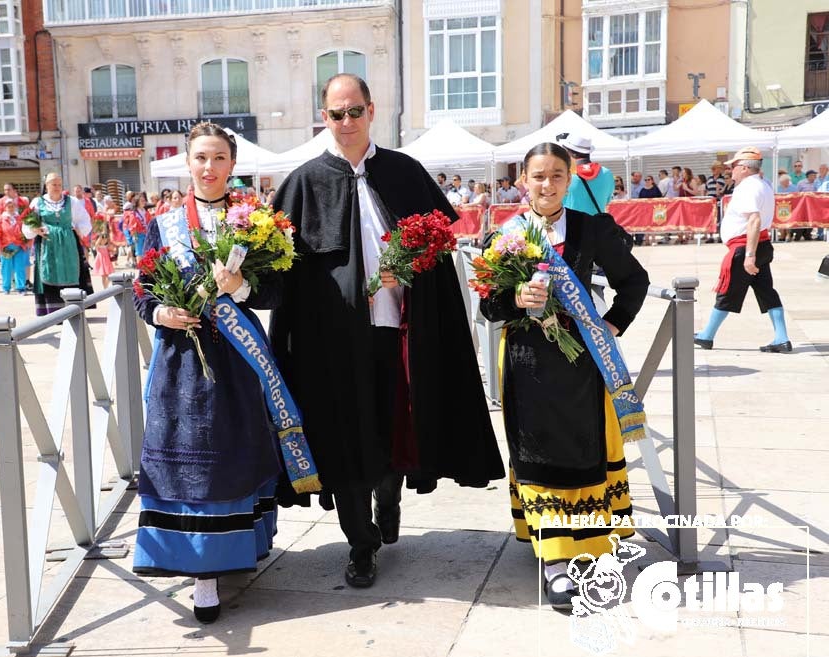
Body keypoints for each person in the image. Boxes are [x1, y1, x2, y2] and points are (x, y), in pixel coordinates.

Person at [271, 74, 504, 589]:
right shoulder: (304, 183)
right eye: (337, 113)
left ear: (372, 111)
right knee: (345, 437)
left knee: (397, 424)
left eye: (355, 111)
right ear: (324, 118)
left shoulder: (405, 172)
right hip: (333, 345)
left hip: (400, 334)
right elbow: (282, 273)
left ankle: (389, 494)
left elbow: (443, 251)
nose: (347, 121)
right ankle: (360, 543)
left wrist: (415, 270)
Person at [478, 141, 649, 609]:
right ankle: (555, 560)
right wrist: (516, 301)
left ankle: (590, 551)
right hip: (527, 362)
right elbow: (487, 304)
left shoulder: (592, 229)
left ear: (569, 179)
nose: (547, 184)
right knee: (537, 452)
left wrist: (611, 324)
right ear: (522, 181)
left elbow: (634, 281)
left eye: (557, 175)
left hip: (581, 364)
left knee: (582, 449)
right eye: (538, 176)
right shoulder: (507, 234)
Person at [131, 122, 282, 624]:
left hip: (237, 357)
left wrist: (240, 287)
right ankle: (202, 570)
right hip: (182, 359)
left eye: (218, 158)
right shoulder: (165, 222)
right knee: (191, 457)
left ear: (232, 165)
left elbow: (273, 292)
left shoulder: (255, 220)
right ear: (187, 163)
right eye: (200, 158)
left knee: (235, 451)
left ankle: (236, 549)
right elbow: (143, 288)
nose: (209, 167)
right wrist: (161, 313)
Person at [693, 147, 792, 353]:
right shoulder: (763, 184)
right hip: (760, 245)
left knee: (727, 292)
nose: (731, 171)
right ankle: (782, 338)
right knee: (767, 292)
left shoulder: (748, 187)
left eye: (734, 167)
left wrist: (749, 255)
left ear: (745, 168)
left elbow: (754, 220)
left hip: (746, 247)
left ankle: (707, 335)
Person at [22, 173, 93, 317]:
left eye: (59, 184)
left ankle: (73, 309)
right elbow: (27, 223)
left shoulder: (71, 201)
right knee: (49, 271)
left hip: (69, 244)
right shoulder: (37, 202)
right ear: (46, 186)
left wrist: (79, 229)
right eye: (53, 184)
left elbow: (84, 219)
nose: (57, 187)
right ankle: (53, 312)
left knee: (71, 270)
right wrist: (35, 229)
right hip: (47, 244)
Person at [558, 132, 613, 216]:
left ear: (571, 153)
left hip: (572, 225)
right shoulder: (607, 173)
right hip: (597, 225)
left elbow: (557, 202)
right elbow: (607, 200)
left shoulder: (566, 175)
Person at [0, 197, 29, 295]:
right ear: (5, 207)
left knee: (19, 267)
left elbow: (26, 231)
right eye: (9, 206)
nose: (11, 208)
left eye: (12, 206)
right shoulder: (1, 219)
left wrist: (27, 242)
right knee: (6, 268)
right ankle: (6, 287)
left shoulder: (19, 218)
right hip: (6, 247)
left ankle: (21, 288)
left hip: (19, 246)